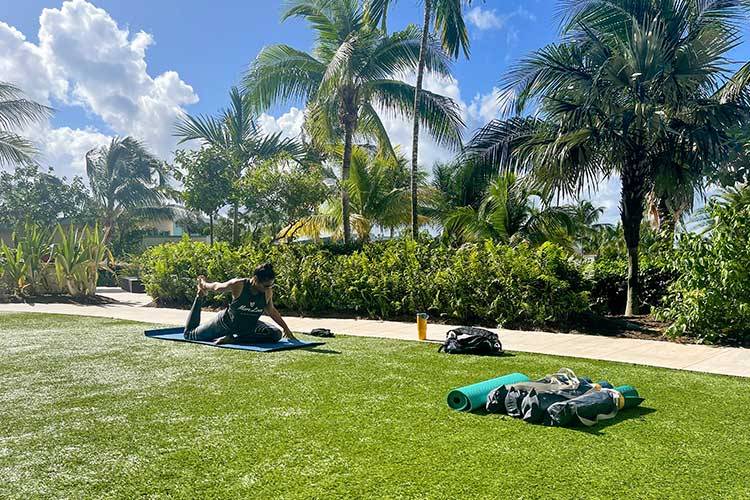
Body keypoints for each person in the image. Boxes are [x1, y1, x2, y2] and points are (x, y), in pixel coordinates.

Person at [183, 262, 297, 345]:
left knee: (275, 334)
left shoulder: (267, 292)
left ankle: (233, 339)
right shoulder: (239, 285)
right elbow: (217, 287)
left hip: (249, 327)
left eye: (271, 285)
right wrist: (204, 285)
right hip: (225, 324)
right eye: (266, 285)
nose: (268, 288)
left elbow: (271, 311)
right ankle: (199, 296)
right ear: (255, 279)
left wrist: (285, 328)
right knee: (189, 335)